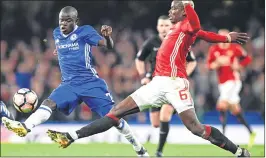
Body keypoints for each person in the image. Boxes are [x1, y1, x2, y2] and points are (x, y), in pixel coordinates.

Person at [44, 1, 250, 157]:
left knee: (196, 128)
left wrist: (188, 4)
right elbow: (206, 35)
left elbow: (197, 27)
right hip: (157, 83)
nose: (170, 11)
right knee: (115, 113)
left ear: (185, 11)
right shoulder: (175, 29)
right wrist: (225, 38)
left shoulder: (187, 25)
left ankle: (239, 152)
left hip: (175, 83)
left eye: (174, 8)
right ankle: (71, 137)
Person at [1, 6, 149, 156]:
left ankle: (139, 148)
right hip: (69, 84)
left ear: (76, 21)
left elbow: (108, 46)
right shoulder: (56, 33)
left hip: (90, 83)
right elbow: (64, 48)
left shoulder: (85, 31)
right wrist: (59, 50)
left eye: (67, 21)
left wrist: (107, 37)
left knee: (114, 117)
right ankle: (25, 126)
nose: (63, 24)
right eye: (61, 21)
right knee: (49, 103)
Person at [136, 15, 243, 157]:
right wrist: (144, 77)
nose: (163, 28)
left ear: (172, 26)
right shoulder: (151, 42)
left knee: (165, 114)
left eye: (166, 25)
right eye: (161, 26)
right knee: (156, 123)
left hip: (173, 85)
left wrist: (181, 75)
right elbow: (139, 59)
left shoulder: (180, 39)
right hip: (155, 85)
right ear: (157, 27)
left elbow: (192, 61)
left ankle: (159, 152)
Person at [207, 29, 255, 149]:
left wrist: (238, 66)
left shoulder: (235, 48)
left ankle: (221, 136)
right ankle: (251, 132)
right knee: (235, 110)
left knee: (222, 105)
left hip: (233, 81)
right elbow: (209, 65)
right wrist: (217, 63)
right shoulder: (214, 50)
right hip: (222, 83)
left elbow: (247, 58)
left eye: (225, 36)